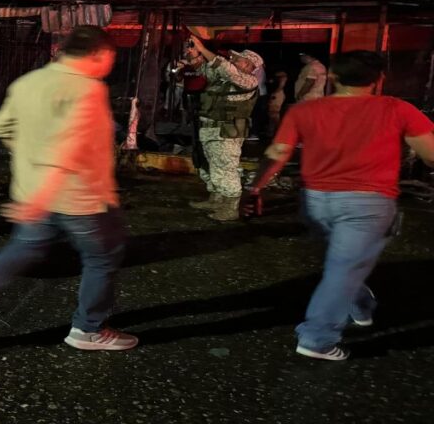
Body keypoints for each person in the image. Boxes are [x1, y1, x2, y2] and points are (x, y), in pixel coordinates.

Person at [0, 26, 136, 352]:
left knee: (24, 248)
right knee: (103, 256)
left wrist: (33, 170)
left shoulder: (27, 83)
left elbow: (3, 128)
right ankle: (88, 328)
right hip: (78, 197)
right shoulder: (87, 89)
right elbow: (69, 147)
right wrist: (46, 190)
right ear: (99, 54)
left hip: (31, 192)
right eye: (111, 56)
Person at [244, 51, 434, 361]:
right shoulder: (397, 109)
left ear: (332, 77)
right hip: (367, 205)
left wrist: (254, 189)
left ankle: (361, 305)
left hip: (316, 203)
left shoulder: (304, 112)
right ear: (379, 80)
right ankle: (317, 339)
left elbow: (277, 152)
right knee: (343, 269)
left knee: (341, 267)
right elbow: (431, 155)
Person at [186, 36, 261, 221]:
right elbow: (205, 70)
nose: (233, 60)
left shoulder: (248, 80)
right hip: (211, 128)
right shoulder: (225, 79)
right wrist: (194, 56)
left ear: (248, 65)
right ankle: (215, 199)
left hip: (227, 131)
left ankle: (230, 208)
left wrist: (202, 48)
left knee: (226, 168)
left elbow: (225, 69)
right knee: (209, 166)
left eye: (238, 59)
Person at [267, 71, 289, 138]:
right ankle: (272, 131)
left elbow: (281, 85)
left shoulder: (282, 77)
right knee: (273, 114)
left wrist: (274, 93)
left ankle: (280, 132)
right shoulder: (280, 77)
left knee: (274, 113)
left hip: (278, 94)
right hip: (277, 94)